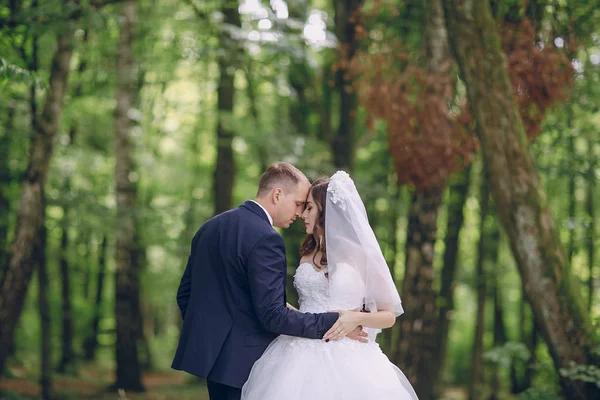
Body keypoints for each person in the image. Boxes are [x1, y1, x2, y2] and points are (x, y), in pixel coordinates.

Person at [171, 163, 365, 400]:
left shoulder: (209, 228)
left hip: (213, 365)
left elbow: (185, 295)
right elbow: (273, 316)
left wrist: (212, 336)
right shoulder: (266, 238)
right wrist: (338, 321)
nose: (299, 213)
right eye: (298, 204)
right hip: (248, 365)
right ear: (277, 195)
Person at [241, 171, 419, 400]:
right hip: (297, 352)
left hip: (350, 354)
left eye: (309, 208)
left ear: (326, 211)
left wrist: (355, 318)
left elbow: (388, 316)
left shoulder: (361, 255)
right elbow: (301, 309)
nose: (302, 214)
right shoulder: (306, 254)